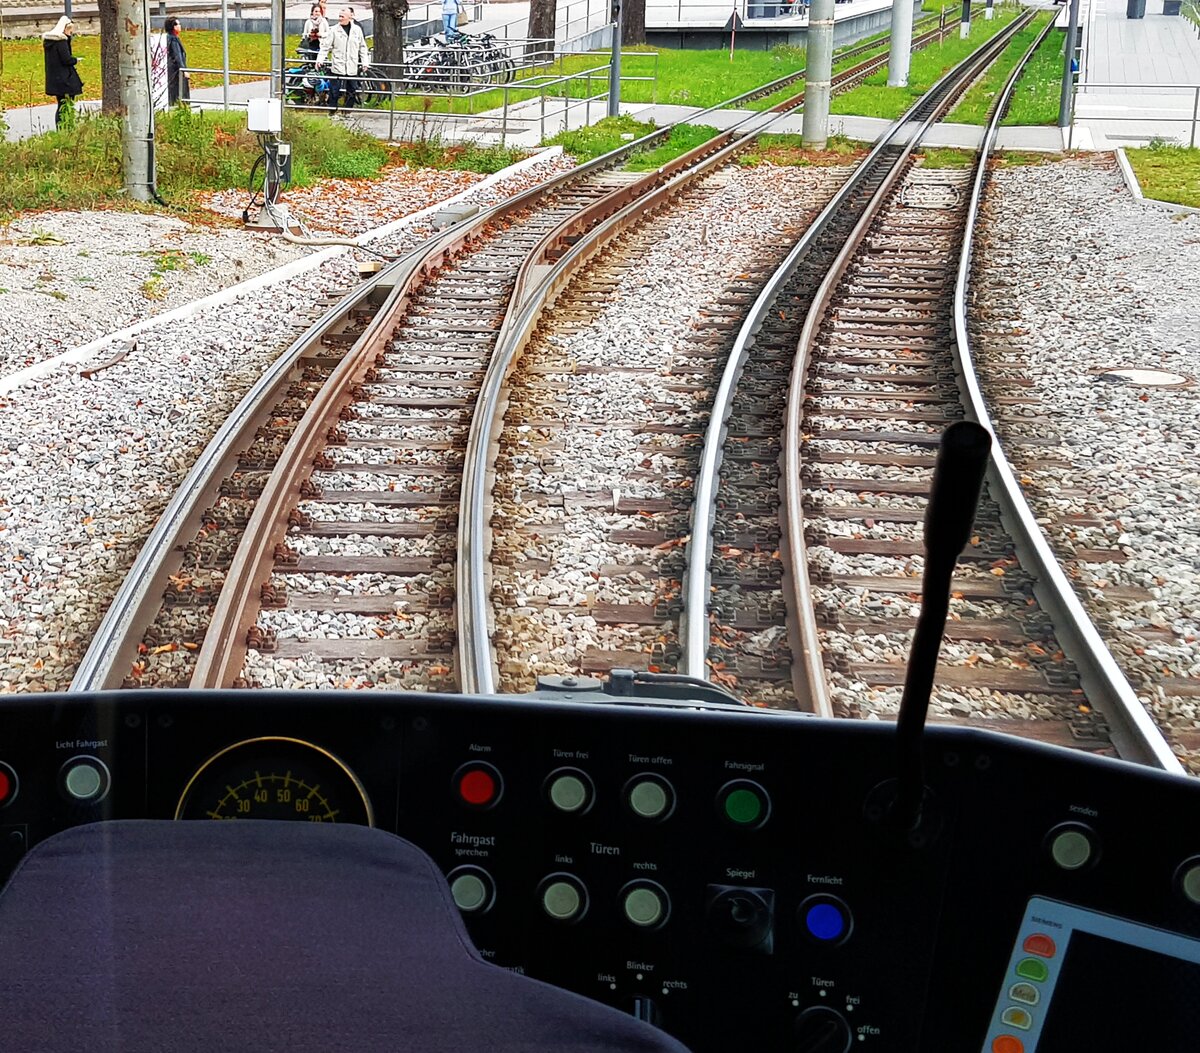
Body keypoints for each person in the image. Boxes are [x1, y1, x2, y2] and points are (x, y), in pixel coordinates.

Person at [316, 7, 370, 115]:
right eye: (339, 16)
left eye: (342, 16)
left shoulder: (357, 30)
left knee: (352, 90)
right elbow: (325, 47)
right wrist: (320, 60)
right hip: (337, 65)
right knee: (334, 91)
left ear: (350, 16)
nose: (340, 19)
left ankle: (347, 112)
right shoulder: (334, 30)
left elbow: (363, 47)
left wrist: (365, 62)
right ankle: (332, 112)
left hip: (352, 66)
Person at [42, 15, 83, 130]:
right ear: (65, 29)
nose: (70, 34)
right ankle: (66, 127)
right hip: (65, 80)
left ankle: (61, 127)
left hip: (55, 79)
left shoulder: (49, 42)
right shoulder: (61, 42)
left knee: (60, 104)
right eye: (70, 31)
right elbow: (67, 59)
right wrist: (76, 60)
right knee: (66, 105)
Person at [164, 17, 190, 105]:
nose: (180, 26)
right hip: (176, 70)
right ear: (174, 27)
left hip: (171, 69)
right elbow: (177, 55)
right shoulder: (174, 39)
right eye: (178, 24)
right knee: (180, 90)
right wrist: (184, 70)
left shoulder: (168, 38)